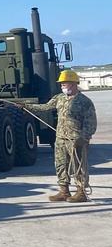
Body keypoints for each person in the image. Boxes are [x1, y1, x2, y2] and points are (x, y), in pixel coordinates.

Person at [19, 69, 97, 203]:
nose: (62, 86)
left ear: (73, 84)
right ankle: (64, 191)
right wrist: (26, 107)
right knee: (61, 165)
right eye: (61, 84)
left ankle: (81, 192)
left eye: (64, 84)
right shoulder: (59, 98)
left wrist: (83, 138)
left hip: (76, 140)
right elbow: (45, 108)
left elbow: (91, 123)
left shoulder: (85, 102)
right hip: (61, 138)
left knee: (79, 167)